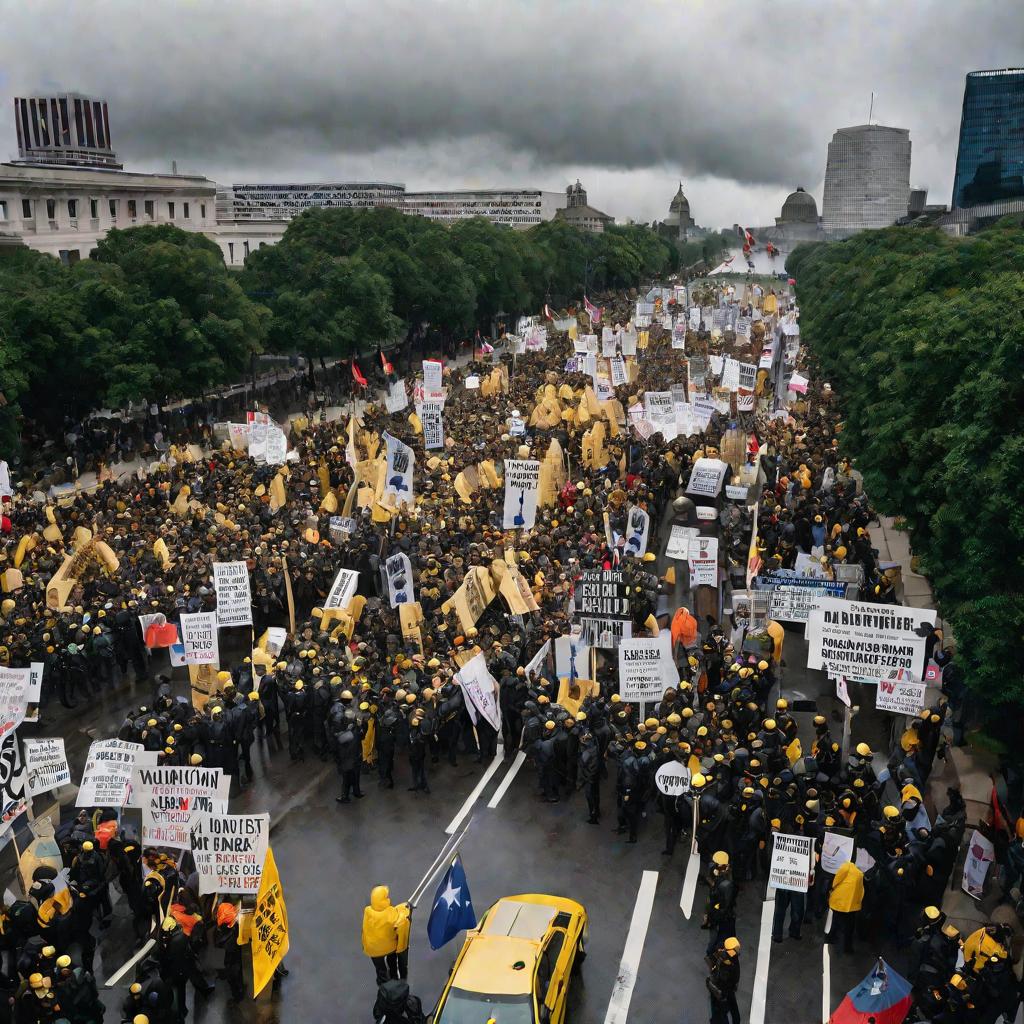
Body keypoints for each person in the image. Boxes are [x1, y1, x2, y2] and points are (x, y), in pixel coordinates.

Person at [361, 886, 411, 986]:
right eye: (386, 897)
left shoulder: (367, 911)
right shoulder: (391, 913)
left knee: (380, 968)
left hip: (372, 948)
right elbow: (401, 916)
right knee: (392, 961)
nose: (389, 899)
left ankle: (383, 984)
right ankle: (394, 980)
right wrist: (406, 907)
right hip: (388, 947)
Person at [824, 859, 864, 954]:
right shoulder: (860, 874)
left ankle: (830, 938)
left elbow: (837, 879)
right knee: (849, 927)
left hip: (840, 901)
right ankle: (848, 948)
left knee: (836, 921)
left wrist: (832, 887)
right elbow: (862, 891)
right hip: (852, 905)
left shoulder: (847, 866)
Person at [707, 936, 741, 1024]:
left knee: (721, 1012)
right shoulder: (733, 961)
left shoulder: (723, 953)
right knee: (731, 1009)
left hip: (723, 991)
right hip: (727, 990)